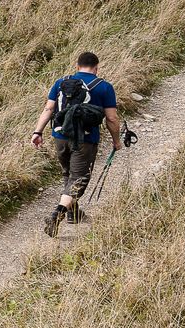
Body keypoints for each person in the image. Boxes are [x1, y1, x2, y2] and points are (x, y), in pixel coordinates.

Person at [32, 51, 124, 237]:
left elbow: (49, 108)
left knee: (69, 174)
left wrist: (37, 132)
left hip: (60, 136)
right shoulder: (104, 87)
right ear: (96, 67)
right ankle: (57, 214)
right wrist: (116, 141)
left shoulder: (60, 82)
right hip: (85, 140)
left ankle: (73, 213)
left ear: (77, 66)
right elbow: (112, 118)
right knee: (79, 179)